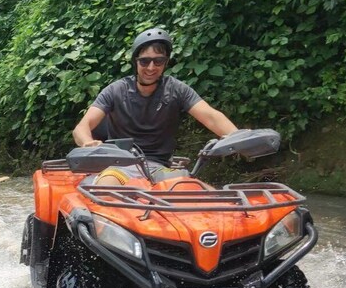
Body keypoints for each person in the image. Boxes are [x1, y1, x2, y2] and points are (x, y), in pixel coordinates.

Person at [72, 28, 238, 185]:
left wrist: (238, 137)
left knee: (199, 191)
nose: (151, 67)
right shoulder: (116, 90)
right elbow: (82, 127)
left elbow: (211, 116)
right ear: (135, 62)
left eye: (158, 61)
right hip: (120, 166)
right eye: (144, 61)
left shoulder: (176, 89)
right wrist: (88, 143)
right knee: (107, 185)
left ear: (165, 62)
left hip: (160, 168)